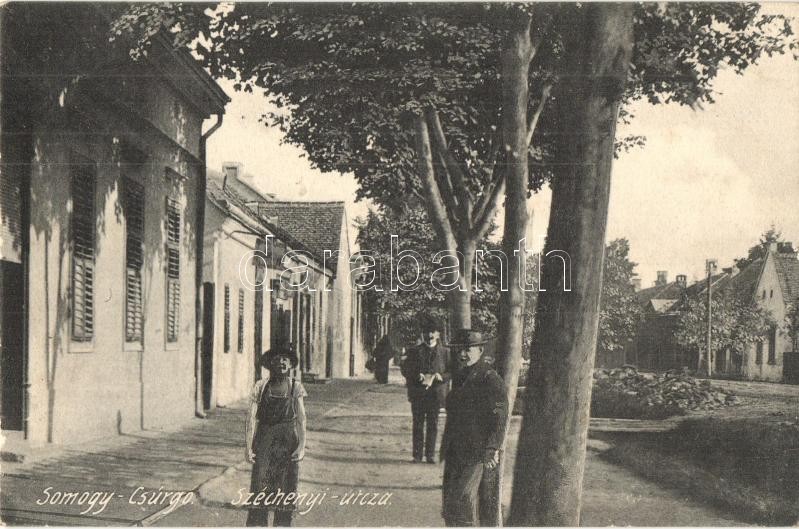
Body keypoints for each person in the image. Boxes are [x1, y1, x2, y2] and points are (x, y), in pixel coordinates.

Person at [440, 329, 508, 527]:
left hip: (476, 452)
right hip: (455, 449)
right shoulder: (460, 376)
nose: (462, 354)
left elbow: (500, 414)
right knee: (450, 505)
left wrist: (492, 447)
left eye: (468, 349)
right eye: (459, 349)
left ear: (480, 350)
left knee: (464, 501)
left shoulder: (490, 379)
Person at [245, 344, 307, 527]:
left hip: (287, 443)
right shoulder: (261, 386)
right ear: (270, 364)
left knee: (286, 489)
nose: (281, 362)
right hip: (264, 442)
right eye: (277, 359)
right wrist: (248, 447)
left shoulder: (296, 387)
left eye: (285, 359)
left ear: (290, 364)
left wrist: (301, 446)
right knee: (260, 487)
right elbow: (251, 418)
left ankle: (282, 524)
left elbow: (301, 418)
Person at [401, 317, 450, 463]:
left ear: (438, 334)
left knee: (433, 424)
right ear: (423, 334)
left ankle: (430, 455)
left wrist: (441, 376)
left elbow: (451, 371)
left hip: (435, 394)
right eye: (427, 332)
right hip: (418, 393)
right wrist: (416, 375)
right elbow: (405, 369)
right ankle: (417, 455)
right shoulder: (414, 351)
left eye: (433, 332)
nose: (430, 335)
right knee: (418, 424)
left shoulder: (445, 352)